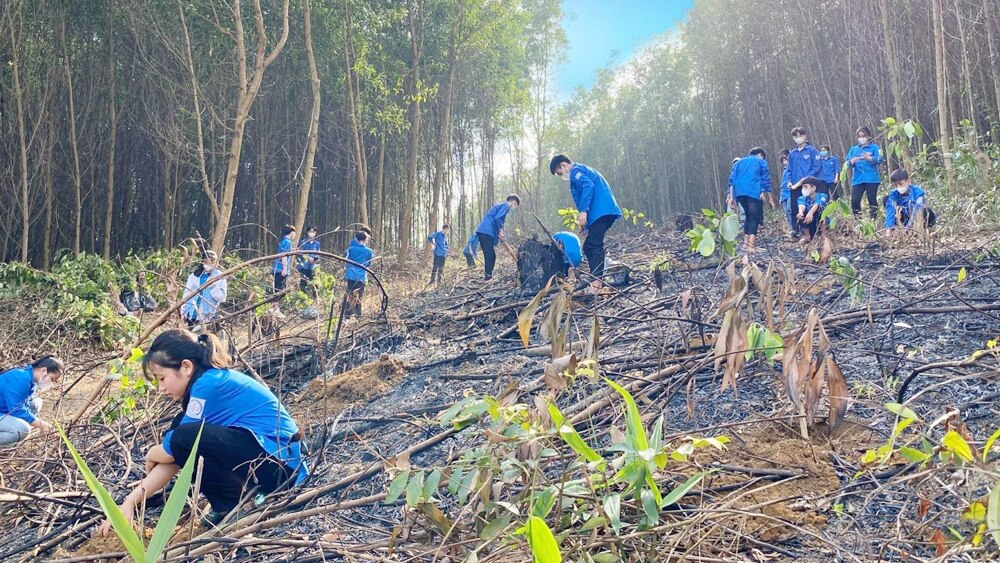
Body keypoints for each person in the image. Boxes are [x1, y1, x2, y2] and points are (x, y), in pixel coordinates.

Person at [96, 330, 307, 534]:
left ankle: (231, 504)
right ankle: (231, 505)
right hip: (271, 467)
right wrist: (129, 503)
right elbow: (175, 457)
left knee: (184, 436)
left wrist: (152, 452)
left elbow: (173, 449)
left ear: (186, 367)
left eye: (161, 378)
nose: (160, 388)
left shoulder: (209, 385)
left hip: (285, 470)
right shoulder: (206, 386)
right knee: (183, 433)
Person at [550, 155, 623, 291]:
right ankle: (596, 278)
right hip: (600, 212)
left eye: (560, 173)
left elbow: (588, 186)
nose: (562, 177)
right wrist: (586, 223)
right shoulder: (581, 170)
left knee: (594, 245)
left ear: (564, 165)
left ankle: (597, 283)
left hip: (602, 211)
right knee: (588, 246)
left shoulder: (576, 171)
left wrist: (583, 211)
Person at [0, 357, 64, 446]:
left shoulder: (30, 376)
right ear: (44, 371)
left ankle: (8, 442)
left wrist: (39, 423)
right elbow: (17, 410)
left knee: (35, 403)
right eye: (52, 379)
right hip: (6, 410)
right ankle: (10, 438)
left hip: (3, 409)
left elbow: (23, 404)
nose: (51, 383)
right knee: (23, 429)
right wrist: (42, 424)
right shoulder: (20, 378)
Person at [727, 147, 773, 253]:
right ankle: (751, 246)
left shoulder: (738, 163)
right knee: (754, 217)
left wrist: (731, 197)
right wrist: (768, 196)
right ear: (760, 155)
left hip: (740, 193)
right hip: (752, 191)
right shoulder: (761, 162)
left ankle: (745, 244)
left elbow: (731, 180)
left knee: (748, 216)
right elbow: (765, 180)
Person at [475, 194, 521, 281]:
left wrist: (501, 234)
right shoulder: (506, 205)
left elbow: (498, 220)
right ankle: (488, 277)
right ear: (513, 202)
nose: (514, 207)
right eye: (515, 205)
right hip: (486, 231)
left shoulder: (500, 206)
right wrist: (501, 231)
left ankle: (488, 276)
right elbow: (497, 219)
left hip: (484, 232)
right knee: (490, 255)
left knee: (490, 255)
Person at [787, 127, 822, 238]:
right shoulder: (792, 154)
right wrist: (789, 182)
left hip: (808, 185)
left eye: (800, 136)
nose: (798, 138)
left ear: (804, 136)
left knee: (811, 205)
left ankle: (815, 230)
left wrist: (806, 179)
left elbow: (817, 167)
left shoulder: (812, 151)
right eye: (796, 136)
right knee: (795, 208)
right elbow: (789, 169)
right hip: (795, 185)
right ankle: (796, 230)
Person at [182, 250, 228, 329]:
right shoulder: (194, 276)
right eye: (206, 261)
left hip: (208, 315)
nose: (208, 264)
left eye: (211, 261)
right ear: (202, 261)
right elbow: (186, 294)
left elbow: (222, 298)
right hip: (191, 313)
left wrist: (214, 287)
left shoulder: (220, 277)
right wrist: (182, 309)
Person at [845, 127, 884, 219]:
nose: (861, 138)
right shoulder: (854, 150)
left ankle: (873, 220)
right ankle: (858, 220)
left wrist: (870, 158)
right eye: (859, 136)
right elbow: (847, 163)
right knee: (855, 200)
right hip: (858, 179)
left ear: (868, 136)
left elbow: (880, 158)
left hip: (871, 178)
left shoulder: (875, 147)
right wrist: (851, 162)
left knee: (872, 200)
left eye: (864, 136)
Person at [343, 231, 374, 319]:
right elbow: (368, 263)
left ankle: (346, 316)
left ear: (357, 239)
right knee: (358, 297)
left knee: (349, 295)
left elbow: (344, 258)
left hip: (350, 275)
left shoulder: (350, 249)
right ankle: (358, 316)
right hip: (361, 276)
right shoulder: (369, 251)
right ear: (366, 239)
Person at [272, 225, 296, 320]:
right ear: (291, 233)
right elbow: (284, 256)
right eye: (294, 232)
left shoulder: (282, 241)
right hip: (280, 269)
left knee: (280, 290)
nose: (294, 234)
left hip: (277, 269)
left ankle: (275, 308)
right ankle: (274, 309)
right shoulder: (287, 242)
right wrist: (285, 269)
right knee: (280, 290)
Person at [796, 177, 830, 243]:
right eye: (802, 187)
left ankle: (824, 236)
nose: (803, 189)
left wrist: (810, 213)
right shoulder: (801, 198)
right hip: (810, 224)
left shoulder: (823, 196)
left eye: (806, 187)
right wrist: (800, 213)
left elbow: (818, 204)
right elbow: (801, 205)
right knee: (801, 215)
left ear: (813, 188)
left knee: (821, 211)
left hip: (821, 224)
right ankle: (807, 236)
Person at [296, 226, 321, 292]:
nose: (312, 233)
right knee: (303, 283)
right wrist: (308, 257)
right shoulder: (303, 242)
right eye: (310, 231)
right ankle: (303, 297)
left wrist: (316, 259)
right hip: (304, 266)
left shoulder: (317, 243)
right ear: (307, 232)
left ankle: (315, 298)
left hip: (313, 267)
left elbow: (318, 254)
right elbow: (300, 253)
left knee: (315, 283)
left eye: (313, 232)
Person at [777, 149, 795, 237]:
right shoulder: (784, 170)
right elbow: (783, 184)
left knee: (790, 209)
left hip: (791, 192)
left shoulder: (793, 169)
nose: (784, 161)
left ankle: (795, 228)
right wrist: (781, 196)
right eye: (782, 160)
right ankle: (791, 228)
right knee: (786, 212)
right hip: (784, 193)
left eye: (786, 159)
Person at [726, 157, 746, 226]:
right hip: (733, 196)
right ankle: (731, 227)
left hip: (741, 195)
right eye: (735, 163)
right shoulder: (732, 175)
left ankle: (742, 227)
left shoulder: (744, 175)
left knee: (743, 211)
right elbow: (730, 186)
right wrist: (729, 196)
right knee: (730, 213)